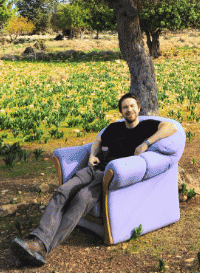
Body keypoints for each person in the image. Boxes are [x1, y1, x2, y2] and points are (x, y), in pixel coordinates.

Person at [11, 92, 177, 267]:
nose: (129, 110)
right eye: (125, 107)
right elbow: (98, 140)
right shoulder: (115, 127)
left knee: (82, 199)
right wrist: (91, 155)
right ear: (121, 111)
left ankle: (41, 247)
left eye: (132, 106)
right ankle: (38, 242)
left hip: (108, 176)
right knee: (62, 191)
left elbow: (171, 127)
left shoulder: (146, 126)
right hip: (93, 170)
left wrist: (146, 143)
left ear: (139, 108)